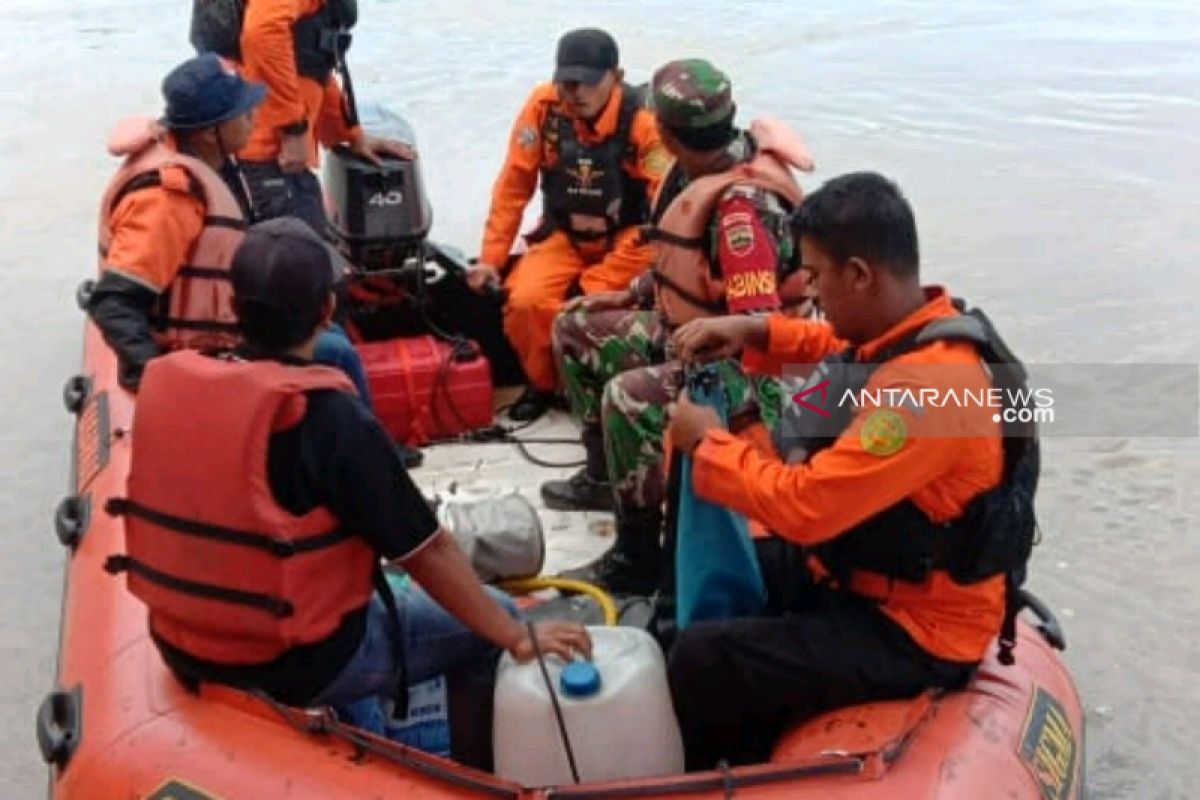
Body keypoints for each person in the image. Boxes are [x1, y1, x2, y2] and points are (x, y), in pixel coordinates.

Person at [105, 218, 592, 743]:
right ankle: (460, 769)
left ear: (234, 306)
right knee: (489, 621)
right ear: (327, 312)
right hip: (298, 664)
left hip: (183, 646)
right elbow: (426, 551)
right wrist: (516, 635)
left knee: (359, 602)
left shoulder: (177, 382)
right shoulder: (329, 418)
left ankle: (363, 730)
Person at [664, 172, 1039, 769]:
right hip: (866, 575)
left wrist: (707, 444)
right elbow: (840, 353)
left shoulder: (928, 391)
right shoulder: (919, 334)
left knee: (703, 659)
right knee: (720, 572)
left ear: (861, 275)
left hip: (918, 629)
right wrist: (754, 330)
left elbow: (807, 509)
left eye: (815, 278)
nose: (811, 292)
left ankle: (722, 777)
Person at [543, 59, 815, 594]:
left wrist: (703, 377)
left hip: (747, 368)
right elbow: (685, 260)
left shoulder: (743, 213)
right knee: (574, 324)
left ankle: (639, 554)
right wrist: (637, 292)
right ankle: (606, 477)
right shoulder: (696, 173)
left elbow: (755, 329)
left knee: (630, 398)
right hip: (688, 327)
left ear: (665, 132)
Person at [87, 55, 373, 401]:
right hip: (195, 354)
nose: (256, 117)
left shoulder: (211, 164)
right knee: (336, 350)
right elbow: (114, 302)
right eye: (243, 112)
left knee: (327, 331)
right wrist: (156, 380)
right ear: (210, 132)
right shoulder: (168, 198)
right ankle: (366, 445)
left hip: (228, 329)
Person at [466, 28, 671, 421]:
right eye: (568, 81)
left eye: (588, 82)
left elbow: (665, 211)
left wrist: (592, 282)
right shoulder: (543, 109)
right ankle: (544, 386)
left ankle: (587, 386)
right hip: (563, 233)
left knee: (581, 302)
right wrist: (491, 259)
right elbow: (513, 187)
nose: (576, 92)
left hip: (629, 239)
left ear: (617, 76)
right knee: (525, 302)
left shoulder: (645, 122)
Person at [236, 0, 413, 233]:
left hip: (264, 154)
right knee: (307, 261)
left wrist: (350, 135)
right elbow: (262, 33)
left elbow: (312, 64)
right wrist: (292, 127)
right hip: (268, 158)